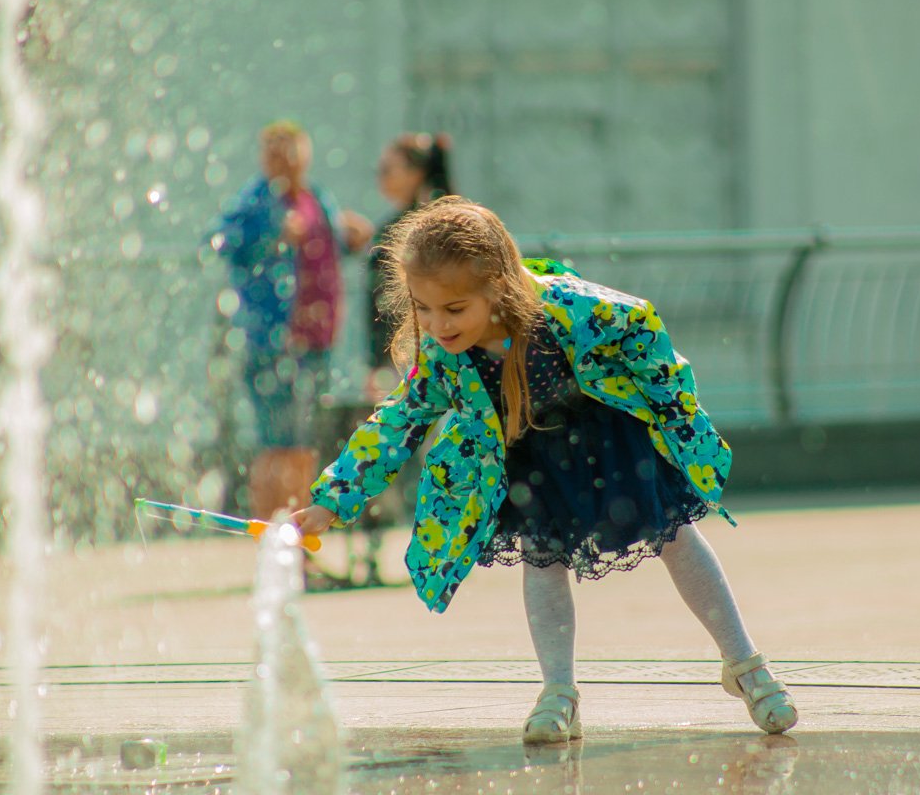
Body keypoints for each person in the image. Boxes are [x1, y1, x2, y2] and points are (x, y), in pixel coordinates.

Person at [290, 196, 798, 743]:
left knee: (675, 536)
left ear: (497, 285)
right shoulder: (442, 356)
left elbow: (642, 326)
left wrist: (673, 416)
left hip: (608, 439)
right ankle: (560, 692)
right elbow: (397, 422)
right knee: (543, 562)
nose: (437, 325)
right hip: (530, 459)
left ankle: (744, 664)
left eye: (454, 309)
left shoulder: (565, 308)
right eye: (424, 308)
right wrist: (331, 501)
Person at [207, 120, 370, 587]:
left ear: (306, 154)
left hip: (316, 342)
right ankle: (273, 552)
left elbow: (324, 247)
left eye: (293, 154)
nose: (286, 163)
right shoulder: (256, 201)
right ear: (264, 158)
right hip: (273, 343)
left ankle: (297, 552)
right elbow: (218, 241)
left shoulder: (316, 195)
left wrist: (347, 239)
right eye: (276, 155)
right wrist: (271, 235)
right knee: (276, 446)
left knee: (302, 449)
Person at [345, 132, 455, 586]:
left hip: (414, 360)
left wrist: (380, 363)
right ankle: (433, 551)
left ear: (415, 173)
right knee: (429, 456)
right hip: (431, 358)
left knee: (393, 452)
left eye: (388, 169)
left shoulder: (409, 229)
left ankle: (389, 553)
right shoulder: (440, 220)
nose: (381, 178)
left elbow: (386, 311)